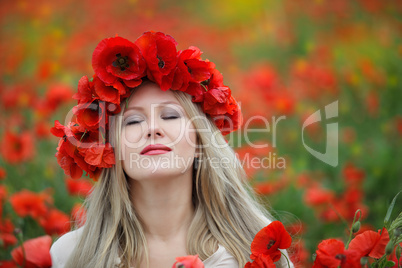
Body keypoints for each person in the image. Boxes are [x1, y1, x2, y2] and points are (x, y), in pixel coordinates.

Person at [50, 31, 293, 268]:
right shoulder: (72, 255)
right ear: (111, 152)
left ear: (200, 143)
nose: (152, 128)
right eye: (133, 121)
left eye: (169, 116)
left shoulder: (254, 248)